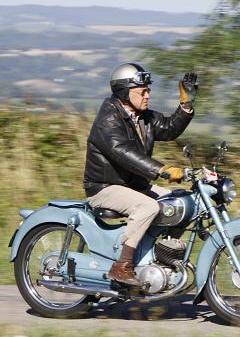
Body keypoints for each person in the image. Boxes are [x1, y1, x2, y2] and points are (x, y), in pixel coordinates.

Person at [83, 62, 197, 284]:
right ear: (124, 93)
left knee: (180, 204)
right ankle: (122, 266)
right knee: (148, 207)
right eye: (142, 92)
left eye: (148, 91)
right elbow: (123, 152)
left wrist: (186, 104)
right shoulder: (108, 119)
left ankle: (161, 259)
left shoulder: (142, 116)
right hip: (105, 187)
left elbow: (169, 128)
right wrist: (161, 169)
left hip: (134, 185)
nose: (147, 95)